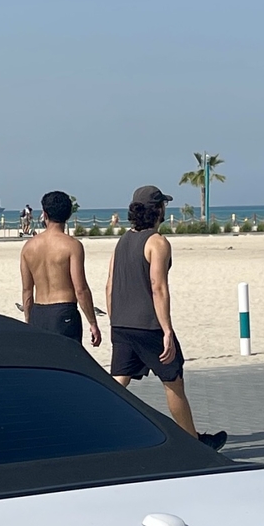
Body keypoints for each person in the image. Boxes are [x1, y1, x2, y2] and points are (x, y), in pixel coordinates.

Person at [105, 185, 225, 449]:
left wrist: (115, 322)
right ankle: (193, 443)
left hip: (122, 324)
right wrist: (167, 330)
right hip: (148, 326)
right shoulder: (157, 242)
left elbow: (109, 285)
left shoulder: (122, 241)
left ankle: (97, 430)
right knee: (173, 381)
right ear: (157, 210)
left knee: (117, 383)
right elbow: (158, 287)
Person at [17, 190, 101, 347]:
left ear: (45, 214)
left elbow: (27, 291)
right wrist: (93, 322)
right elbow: (81, 289)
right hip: (64, 311)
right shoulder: (72, 246)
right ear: (68, 215)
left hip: (39, 313)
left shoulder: (28, 247)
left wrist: (29, 321)